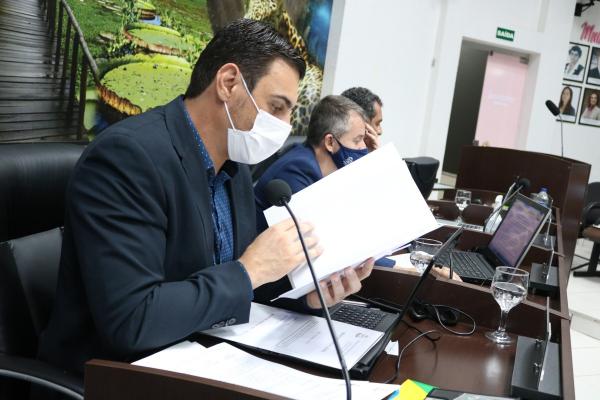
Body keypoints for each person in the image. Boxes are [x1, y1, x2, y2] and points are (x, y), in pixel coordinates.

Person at [37, 19, 374, 377]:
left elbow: (239, 281)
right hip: (113, 376)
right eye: (277, 107)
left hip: (202, 358)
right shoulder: (127, 158)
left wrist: (308, 293)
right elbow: (132, 319)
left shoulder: (234, 166)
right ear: (228, 83)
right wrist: (250, 270)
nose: (286, 125)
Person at [254, 96, 460, 280]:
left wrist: (375, 162)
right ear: (330, 142)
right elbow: (329, 249)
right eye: (358, 140)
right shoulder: (298, 170)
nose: (363, 147)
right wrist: (403, 268)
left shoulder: (321, 168)